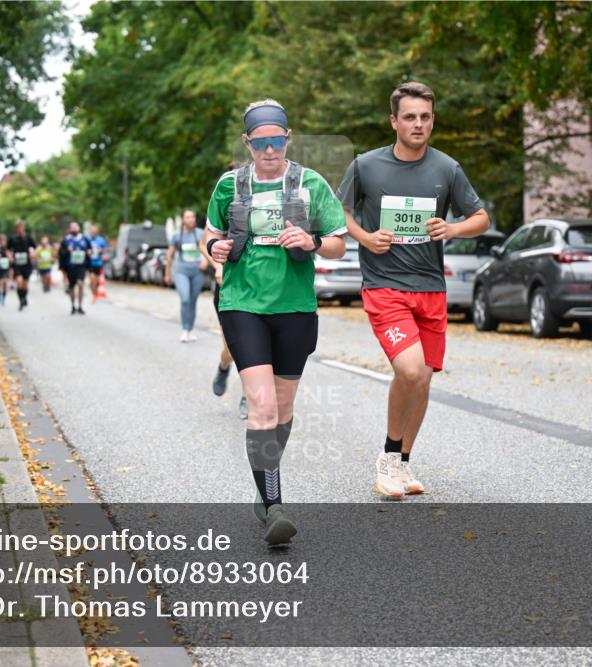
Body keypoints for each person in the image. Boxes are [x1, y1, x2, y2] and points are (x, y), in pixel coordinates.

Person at [337, 81, 490, 498]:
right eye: (409, 117)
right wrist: (365, 238)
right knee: (407, 369)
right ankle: (387, 458)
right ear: (394, 121)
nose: (418, 124)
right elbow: (340, 213)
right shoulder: (366, 166)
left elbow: (481, 218)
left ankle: (403, 464)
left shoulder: (447, 169)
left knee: (422, 379)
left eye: (425, 117)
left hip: (431, 287)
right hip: (385, 285)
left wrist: (453, 227)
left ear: (432, 120)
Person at [205, 99, 347, 545]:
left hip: (296, 308)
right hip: (243, 304)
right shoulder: (229, 185)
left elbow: (339, 244)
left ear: (289, 138)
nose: (269, 150)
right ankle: (275, 507)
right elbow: (210, 235)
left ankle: (263, 488)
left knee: (283, 412)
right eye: (260, 142)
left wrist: (312, 240)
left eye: (276, 140)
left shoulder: (311, 184)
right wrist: (216, 250)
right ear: (248, 143)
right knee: (262, 407)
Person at [209, 258, 249, 420]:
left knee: (251, 350)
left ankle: (248, 397)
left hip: (259, 288)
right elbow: (204, 243)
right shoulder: (219, 230)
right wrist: (218, 267)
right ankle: (224, 366)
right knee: (232, 351)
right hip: (229, 285)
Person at [165, 209, 207, 342]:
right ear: (183, 219)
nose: (191, 220)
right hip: (181, 270)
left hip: (197, 271)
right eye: (188, 217)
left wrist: (205, 261)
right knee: (185, 298)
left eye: (193, 217)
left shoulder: (200, 234)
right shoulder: (177, 236)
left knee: (193, 301)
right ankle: (184, 329)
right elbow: (170, 255)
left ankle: (190, 330)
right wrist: (167, 273)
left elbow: (207, 249)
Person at [60, 221, 92, 314]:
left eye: (75, 227)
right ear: (70, 229)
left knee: (80, 284)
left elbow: (90, 250)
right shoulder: (66, 240)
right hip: (70, 267)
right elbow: (61, 253)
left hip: (81, 266)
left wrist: (89, 252)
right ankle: (73, 306)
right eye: (72, 227)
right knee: (72, 287)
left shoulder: (85, 239)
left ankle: (80, 306)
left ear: (79, 228)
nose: (74, 229)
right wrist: (66, 250)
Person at [7, 220, 36, 311]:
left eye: (21, 227)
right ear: (16, 229)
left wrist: (32, 254)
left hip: (27, 263)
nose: (19, 229)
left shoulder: (28, 237)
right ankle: (21, 301)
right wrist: (10, 257)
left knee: (25, 284)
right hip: (17, 264)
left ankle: (24, 296)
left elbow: (34, 248)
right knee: (19, 282)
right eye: (18, 227)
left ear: (24, 227)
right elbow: (8, 250)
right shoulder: (12, 238)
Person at [86, 223, 109, 303]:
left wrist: (100, 250)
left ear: (97, 232)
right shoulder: (87, 239)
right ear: (90, 232)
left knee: (97, 281)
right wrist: (87, 252)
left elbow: (105, 249)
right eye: (92, 231)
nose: (93, 232)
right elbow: (84, 249)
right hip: (90, 263)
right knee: (92, 280)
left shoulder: (101, 240)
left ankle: (95, 294)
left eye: (94, 231)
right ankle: (94, 295)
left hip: (98, 263)